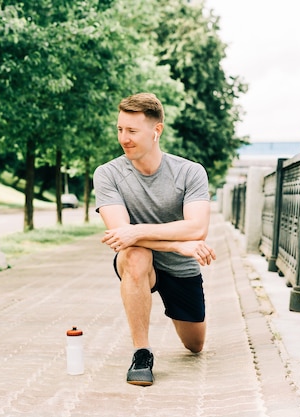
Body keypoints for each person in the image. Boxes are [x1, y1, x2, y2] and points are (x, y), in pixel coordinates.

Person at [93, 92, 216, 386]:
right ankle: (142, 353)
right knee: (136, 256)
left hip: (181, 266)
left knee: (195, 345)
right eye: (120, 129)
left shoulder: (189, 172)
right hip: (141, 258)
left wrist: (137, 231)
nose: (124, 138)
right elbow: (122, 238)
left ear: (156, 131)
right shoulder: (107, 174)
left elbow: (197, 228)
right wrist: (176, 243)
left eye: (132, 131)